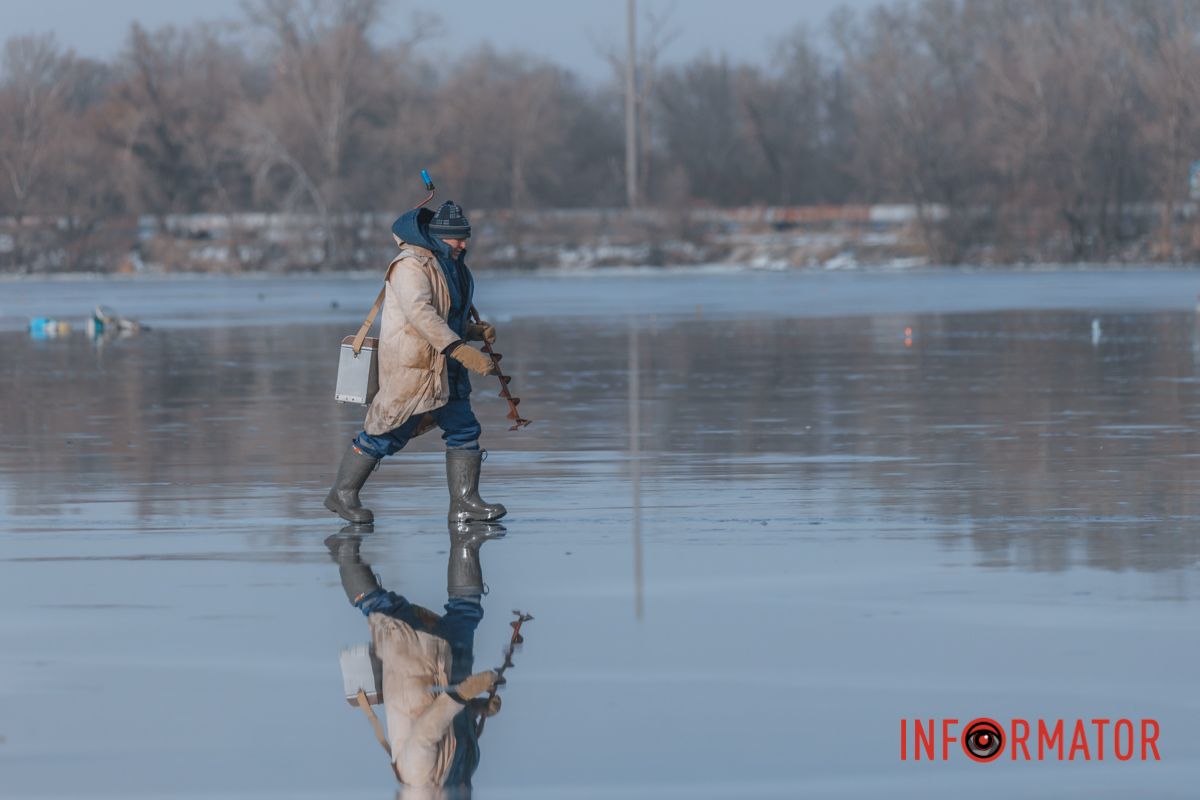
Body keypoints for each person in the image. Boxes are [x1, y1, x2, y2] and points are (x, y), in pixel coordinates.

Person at [325, 201, 507, 525]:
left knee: (464, 428)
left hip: (446, 368)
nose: (464, 245)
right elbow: (421, 316)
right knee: (386, 432)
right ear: (440, 237)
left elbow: (446, 315)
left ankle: (465, 503)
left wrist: (471, 330)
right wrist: (461, 348)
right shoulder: (409, 266)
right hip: (415, 368)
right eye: (458, 239)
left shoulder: (452, 265)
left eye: (466, 238)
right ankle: (342, 493)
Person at [327, 523, 507, 792]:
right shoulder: (460, 778)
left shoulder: (416, 778)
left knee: (380, 606)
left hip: (412, 665)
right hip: (453, 665)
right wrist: (479, 708)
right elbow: (454, 729)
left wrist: (464, 692)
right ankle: (468, 532)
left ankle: (345, 552)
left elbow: (427, 730)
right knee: (466, 608)